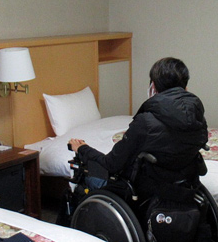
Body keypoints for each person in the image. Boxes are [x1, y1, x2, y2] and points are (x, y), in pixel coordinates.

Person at [68, 57, 208, 200]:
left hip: (148, 192)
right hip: (184, 186)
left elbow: (112, 164)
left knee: (88, 178)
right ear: (185, 88)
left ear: (153, 87)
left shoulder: (145, 122)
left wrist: (82, 148)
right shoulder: (197, 117)